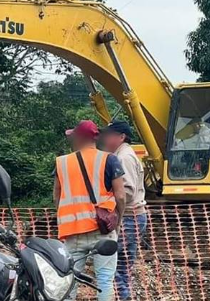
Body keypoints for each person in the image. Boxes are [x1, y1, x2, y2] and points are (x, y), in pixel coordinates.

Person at [54, 120, 126, 301]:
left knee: (69, 281)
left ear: (80, 138)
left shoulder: (62, 162)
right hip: (102, 229)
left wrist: (65, 218)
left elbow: (57, 195)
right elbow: (121, 196)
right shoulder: (109, 159)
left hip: (72, 233)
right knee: (104, 280)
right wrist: (117, 221)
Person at [101, 121, 147, 301]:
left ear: (121, 137)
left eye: (109, 134)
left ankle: (123, 298)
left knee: (117, 266)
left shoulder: (123, 157)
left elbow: (126, 191)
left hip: (128, 216)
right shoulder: (123, 154)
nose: (106, 138)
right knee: (123, 267)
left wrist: (107, 205)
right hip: (134, 216)